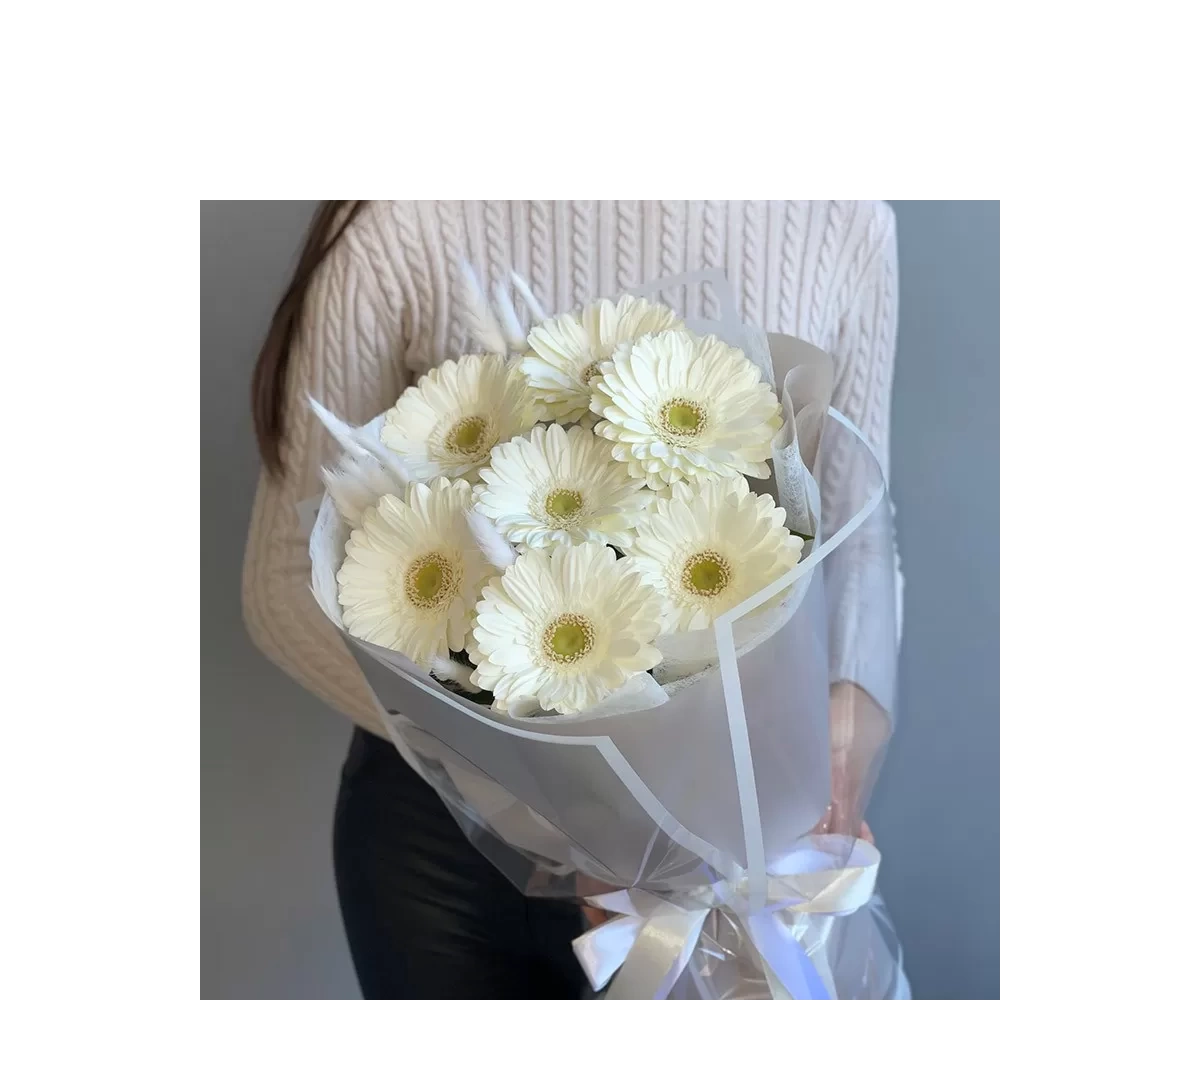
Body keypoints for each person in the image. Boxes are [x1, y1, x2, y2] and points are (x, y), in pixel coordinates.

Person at [244, 200, 900, 999]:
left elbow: (859, 523)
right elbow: (285, 581)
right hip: (450, 854)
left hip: (741, 835)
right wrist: (562, 805)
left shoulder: (843, 218)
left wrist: (840, 748)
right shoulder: (403, 224)